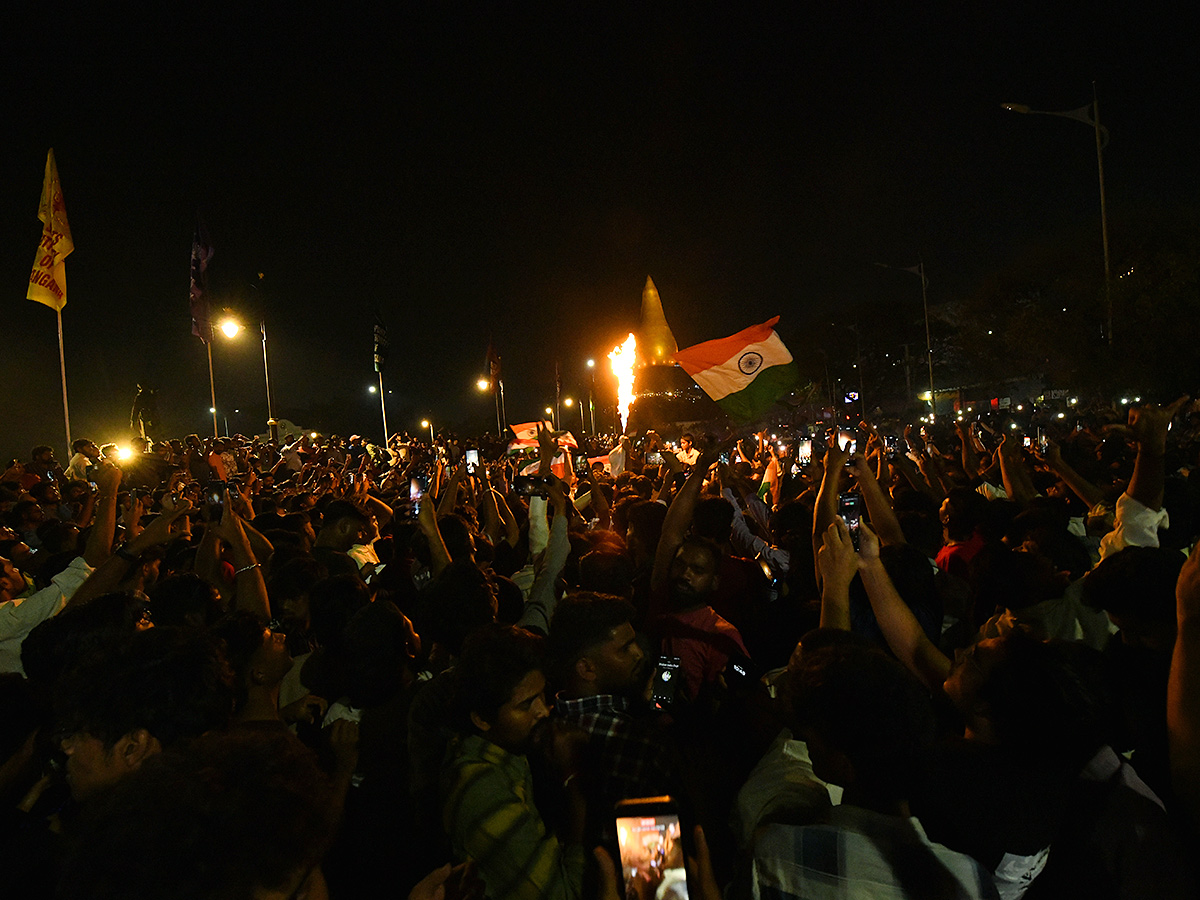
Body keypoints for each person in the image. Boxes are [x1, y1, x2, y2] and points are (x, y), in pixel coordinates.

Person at [747, 642, 999, 899]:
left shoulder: (776, 854)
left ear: (843, 765)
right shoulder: (974, 881)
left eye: (812, 738)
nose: (806, 743)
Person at [442, 624, 586, 900]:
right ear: (481, 719)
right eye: (525, 705)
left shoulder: (514, 755)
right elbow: (562, 895)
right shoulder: (483, 790)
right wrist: (575, 779)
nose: (543, 711)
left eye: (542, 695)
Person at [548, 593, 676, 843]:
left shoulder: (547, 719)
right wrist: (662, 725)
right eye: (624, 648)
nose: (638, 653)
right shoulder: (637, 741)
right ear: (586, 668)